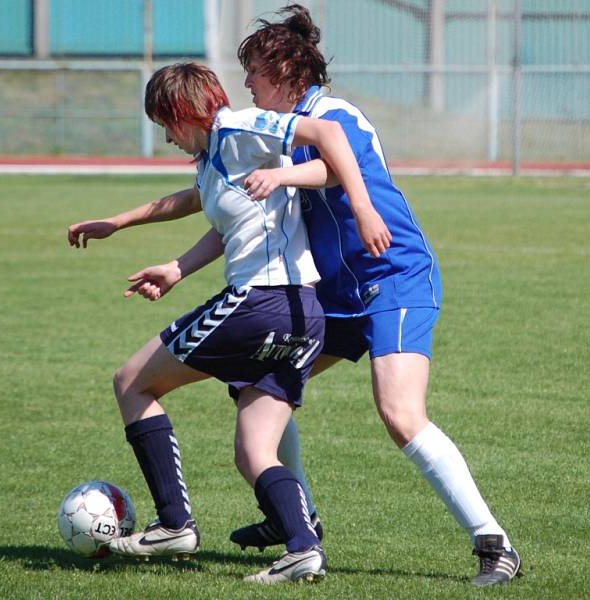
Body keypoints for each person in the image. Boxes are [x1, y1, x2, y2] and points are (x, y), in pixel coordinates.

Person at [227, 4, 522, 587]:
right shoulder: (277, 131)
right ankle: (298, 516)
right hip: (337, 293)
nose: (247, 83)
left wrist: (293, 179)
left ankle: (495, 544)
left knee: (400, 412)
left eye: (254, 71)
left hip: (394, 276)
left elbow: (339, 168)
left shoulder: (335, 115)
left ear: (287, 71)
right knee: (263, 384)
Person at [66, 62, 389, 585]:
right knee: (253, 450)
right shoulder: (217, 158)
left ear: (183, 112)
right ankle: (303, 548)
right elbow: (208, 208)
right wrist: (154, 251)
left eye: (165, 125)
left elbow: (328, 134)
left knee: (131, 381)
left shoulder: (240, 127)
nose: (167, 137)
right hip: (303, 315)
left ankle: (173, 524)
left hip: (259, 302)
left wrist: (362, 204)